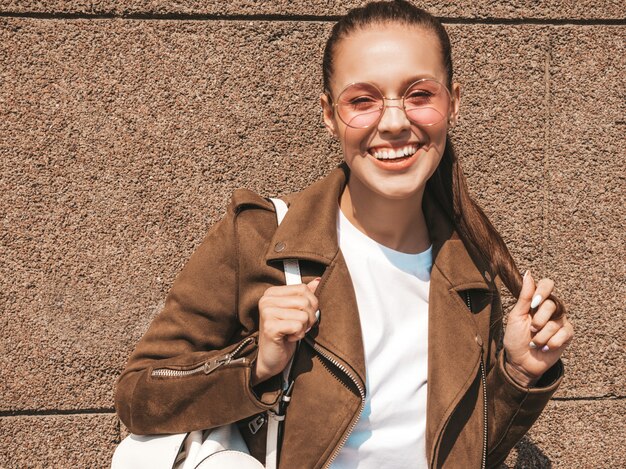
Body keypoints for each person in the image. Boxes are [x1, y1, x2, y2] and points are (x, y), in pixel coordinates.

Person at [115, 1, 574, 467]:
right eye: (362, 100)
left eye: (419, 95)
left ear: (452, 102)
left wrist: (518, 373)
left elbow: (466, 454)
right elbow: (137, 396)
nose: (394, 122)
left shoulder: (472, 268)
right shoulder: (258, 240)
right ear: (329, 114)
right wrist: (258, 367)